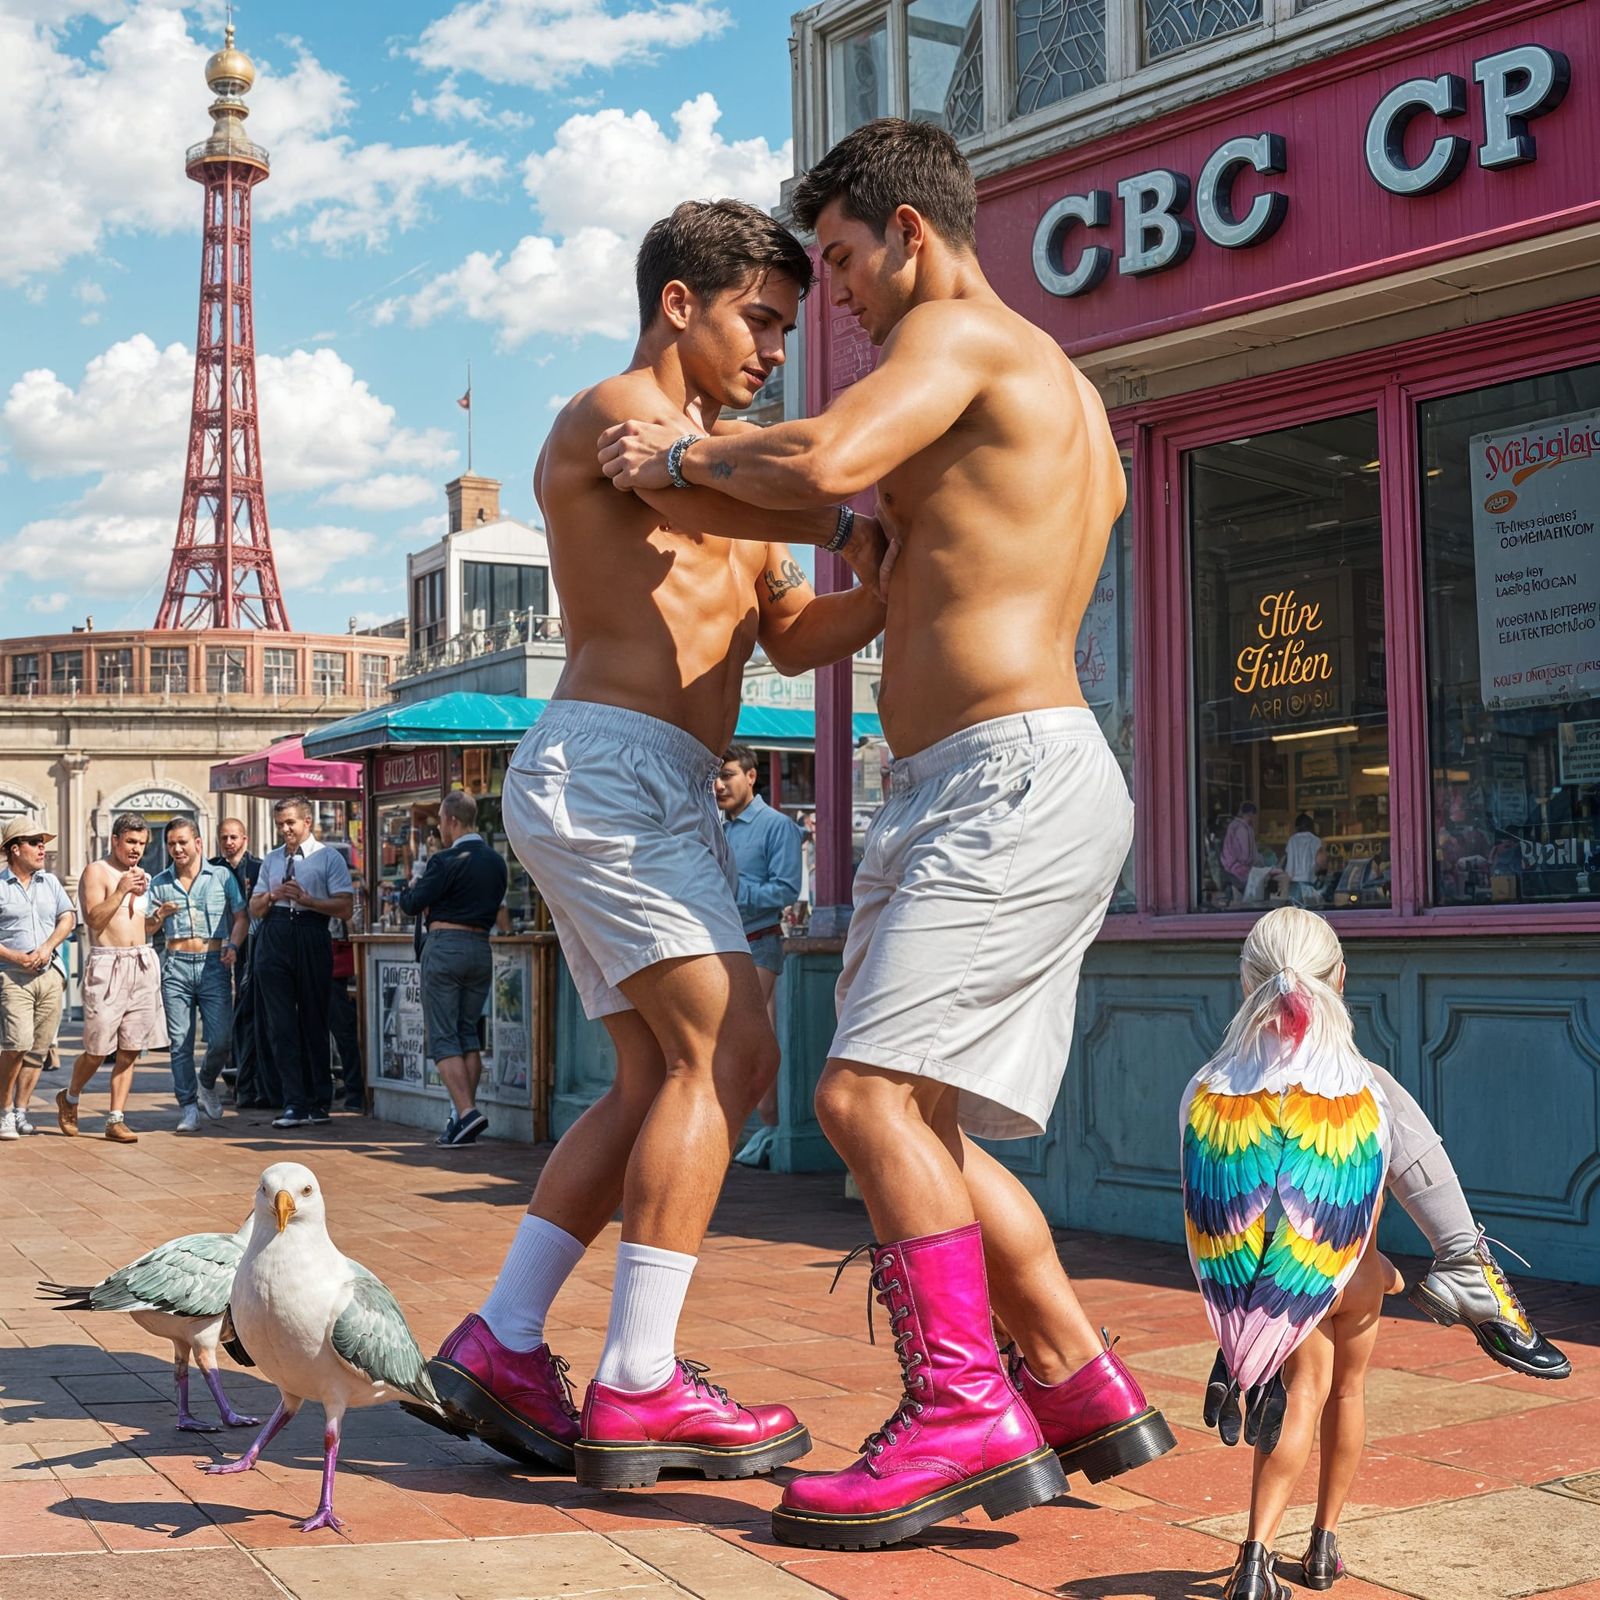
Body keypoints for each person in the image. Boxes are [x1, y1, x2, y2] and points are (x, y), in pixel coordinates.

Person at [598, 118, 1568, 1549]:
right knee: (913, 1118)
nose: (840, 301)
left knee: (865, 1105)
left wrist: (676, 449)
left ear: (911, 233)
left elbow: (818, 459)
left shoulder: (966, 342)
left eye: (851, 260)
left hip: (1001, 779)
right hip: (986, 782)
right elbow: (864, 584)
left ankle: (958, 1410)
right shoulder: (1037, 398)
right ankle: (1071, 1377)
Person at [424, 199, 890, 1489]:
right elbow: (789, 483)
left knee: (653, 1083)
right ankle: (638, 1382)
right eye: (757, 319)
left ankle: (506, 1342)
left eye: (790, 327)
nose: (773, 349)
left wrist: (891, 582)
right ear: (679, 301)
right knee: (732, 1051)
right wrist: (863, 510)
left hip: (661, 785)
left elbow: (792, 640)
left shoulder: (719, 463)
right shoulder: (615, 415)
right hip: (609, 765)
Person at [1180, 907, 1402, 1599]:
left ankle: (1255, 1559)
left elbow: (1205, 1215)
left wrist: (1243, 1320)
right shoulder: (1365, 1088)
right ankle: (1324, 1548)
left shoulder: (1209, 1090)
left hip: (1271, 1274)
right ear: (1341, 977)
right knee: (1347, 1393)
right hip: (1351, 1270)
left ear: (1244, 982)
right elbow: (1376, 1202)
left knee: (1297, 1394)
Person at [397, 790, 507, 1146]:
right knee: (467, 1033)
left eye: (442, 821)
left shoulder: (445, 860)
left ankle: (466, 1113)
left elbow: (412, 904)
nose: (441, 828)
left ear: (453, 821)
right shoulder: (496, 862)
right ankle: (464, 1118)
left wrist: (410, 885)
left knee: (444, 1037)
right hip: (480, 948)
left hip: (445, 948)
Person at [57, 813, 169, 1144]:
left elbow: (138, 926)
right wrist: (121, 890)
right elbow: (94, 919)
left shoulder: (140, 875)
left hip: (142, 962)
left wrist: (158, 918)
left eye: (142, 844)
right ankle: (71, 1096)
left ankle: (115, 1119)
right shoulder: (96, 872)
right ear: (115, 840)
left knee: (131, 1047)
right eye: (131, 842)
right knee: (97, 1048)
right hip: (108, 966)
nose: (137, 850)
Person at [715, 745, 801, 1168]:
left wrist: (734, 889)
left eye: (727, 774)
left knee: (741, 1036)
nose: (718, 785)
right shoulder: (714, 826)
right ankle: (759, 1128)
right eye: (715, 776)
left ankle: (754, 1129)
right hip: (718, 942)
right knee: (740, 1037)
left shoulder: (776, 827)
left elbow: (786, 889)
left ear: (751, 776)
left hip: (759, 940)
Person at [249, 797, 354, 1130]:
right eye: (280, 824)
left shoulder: (328, 858)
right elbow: (255, 908)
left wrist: (308, 900)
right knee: (280, 1023)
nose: (285, 830)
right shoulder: (272, 859)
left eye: (290, 823)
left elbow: (345, 907)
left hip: (311, 932)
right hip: (275, 932)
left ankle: (318, 1100)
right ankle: (292, 1101)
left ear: (307, 821)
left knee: (313, 1018)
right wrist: (273, 895)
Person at [148, 818, 247, 1133]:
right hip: (175, 965)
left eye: (183, 842)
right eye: (171, 844)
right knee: (180, 1042)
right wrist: (158, 915)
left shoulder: (221, 876)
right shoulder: (160, 882)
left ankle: (206, 1081)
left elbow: (241, 916)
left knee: (221, 1040)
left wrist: (233, 944)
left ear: (198, 843)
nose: (177, 849)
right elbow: (147, 928)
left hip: (214, 964)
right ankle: (188, 1107)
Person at [0, 817, 75, 1143]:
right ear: (15, 849)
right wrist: (16, 957)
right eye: (34, 841)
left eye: (42, 841)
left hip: (49, 974)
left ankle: (21, 1111)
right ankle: (3, 1113)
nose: (42, 847)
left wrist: (47, 947)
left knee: (37, 1051)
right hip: (12, 977)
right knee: (16, 1044)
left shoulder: (50, 882)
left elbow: (68, 917)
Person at [211, 817, 264, 1104]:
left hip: (250, 946)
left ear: (244, 839)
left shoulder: (258, 868)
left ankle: (246, 1080)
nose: (229, 843)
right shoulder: (212, 868)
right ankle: (232, 1077)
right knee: (223, 1013)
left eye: (234, 837)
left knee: (246, 1010)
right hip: (218, 945)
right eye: (224, 838)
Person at [329, 872, 365, 1113]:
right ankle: (349, 1089)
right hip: (332, 964)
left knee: (343, 1031)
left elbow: (352, 927)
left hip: (341, 967)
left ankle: (354, 1090)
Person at [1284, 812, 1326, 907]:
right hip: (1309, 884)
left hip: (1294, 885)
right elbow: (1321, 862)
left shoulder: (1292, 840)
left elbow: (1289, 866)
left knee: (1294, 916)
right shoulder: (1315, 840)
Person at [1222, 801, 1260, 900]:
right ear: (1250, 814)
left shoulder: (1233, 826)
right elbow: (1245, 854)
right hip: (1239, 869)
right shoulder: (1243, 829)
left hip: (1229, 866)